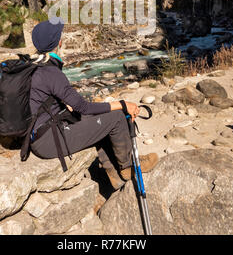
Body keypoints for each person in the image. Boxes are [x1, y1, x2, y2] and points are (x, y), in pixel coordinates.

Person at [29, 17, 158, 189]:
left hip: (41, 133)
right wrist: (122, 104)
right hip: (48, 142)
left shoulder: (33, 65)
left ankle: (112, 171)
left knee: (94, 117)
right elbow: (84, 107)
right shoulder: (51, 72)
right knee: (117, 117)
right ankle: (127, 167)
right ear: (58, 41)